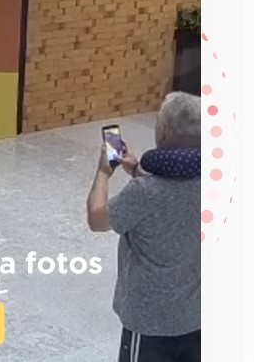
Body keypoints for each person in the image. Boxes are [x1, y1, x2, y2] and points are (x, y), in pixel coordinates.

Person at [86, 91, 201, 362]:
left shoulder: (143, 193)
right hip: (197, 316)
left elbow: (98, 219)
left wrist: (104, 172)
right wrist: (137, 169)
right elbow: (176, 193)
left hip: (150, 324)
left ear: (161, 133)